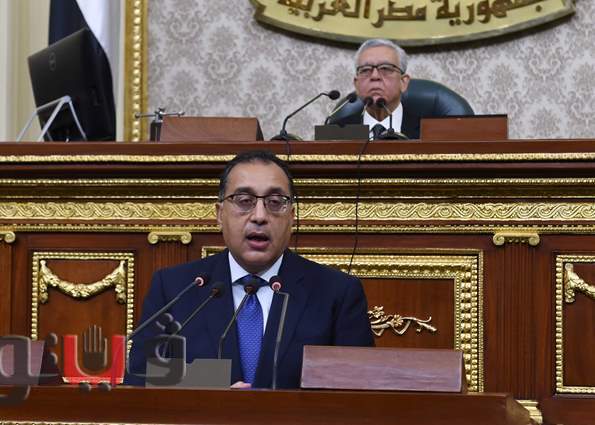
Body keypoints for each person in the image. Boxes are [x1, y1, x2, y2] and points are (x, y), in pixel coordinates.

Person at [125, 150, 374, 389]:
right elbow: (141, 378)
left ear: (292, 217)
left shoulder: (336, 293)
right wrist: (213, 391)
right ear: (220, 214)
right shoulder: (175, 288)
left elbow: (359, 390)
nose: (259, 216)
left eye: (275, 202)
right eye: (244, 201)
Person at [329, 38, 416, 139]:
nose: (375, 76)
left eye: (385, 68)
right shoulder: (336, 132)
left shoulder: (427, 129)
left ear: (403, 82)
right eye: (366, 70)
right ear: (356, 84)